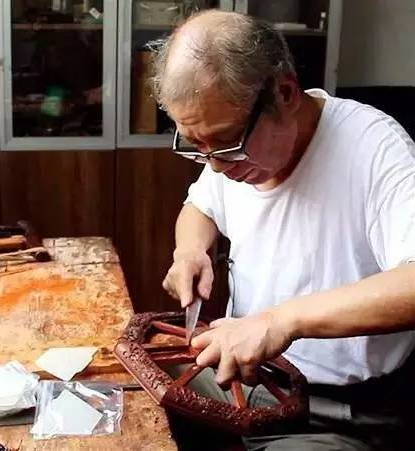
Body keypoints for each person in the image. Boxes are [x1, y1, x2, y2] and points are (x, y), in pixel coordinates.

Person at [151, 10, 415, 451]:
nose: (216, 165)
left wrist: (280, 321)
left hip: (334, 413)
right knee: (125, 390)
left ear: (286, 93)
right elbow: (200, 206)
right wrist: (190, 250)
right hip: (243, 380)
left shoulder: (375, 147)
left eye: (226, 143)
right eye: (197, 146)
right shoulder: (229, 149)